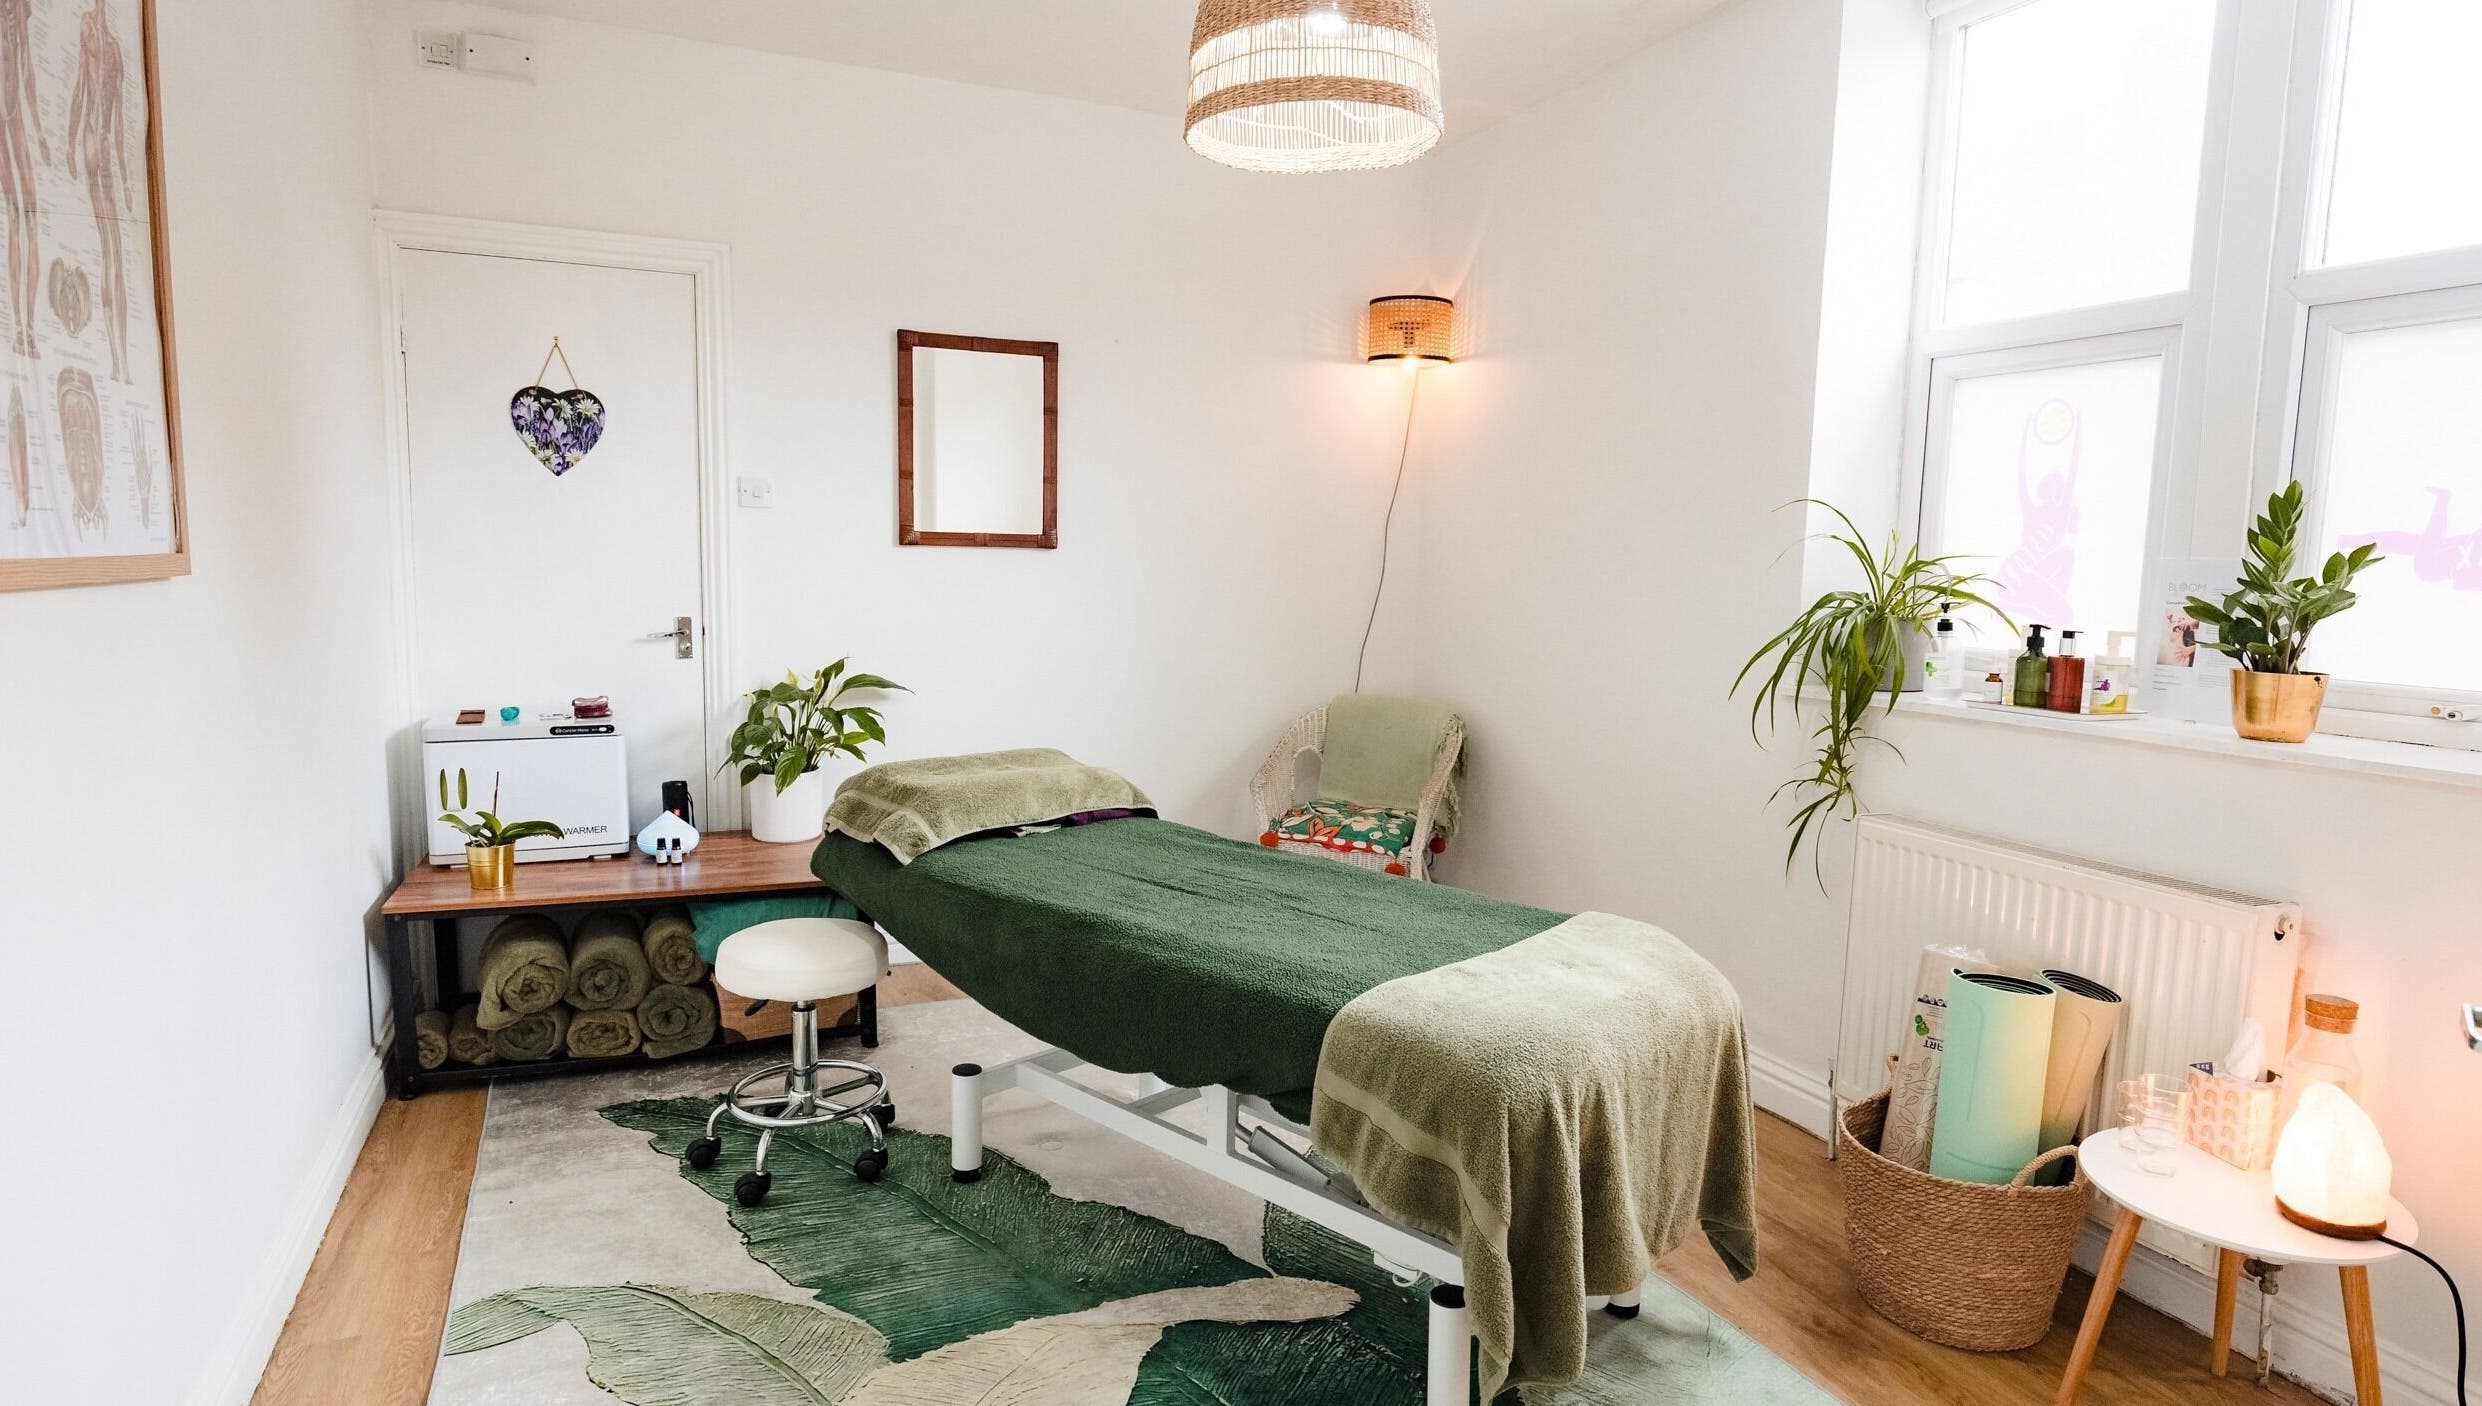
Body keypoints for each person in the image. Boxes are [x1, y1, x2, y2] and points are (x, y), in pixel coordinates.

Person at [67, 0, 134, 382]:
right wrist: (70, 143)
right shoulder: (89, 28)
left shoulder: (115, 47)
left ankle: (120, 357)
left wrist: (126, 176)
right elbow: (80, 90)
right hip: (95, 145)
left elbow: (121, 118)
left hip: (105, 147)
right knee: (111, 252)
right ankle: (116, 356)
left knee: (117, 255)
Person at [0, 0, 48, 359]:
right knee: (17, 218)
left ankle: (28, 329)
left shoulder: (19, 15)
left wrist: (41, 132)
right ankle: (19, 328)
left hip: (14, 121)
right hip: (3, 126)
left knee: (29, 217)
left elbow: (27, 69)